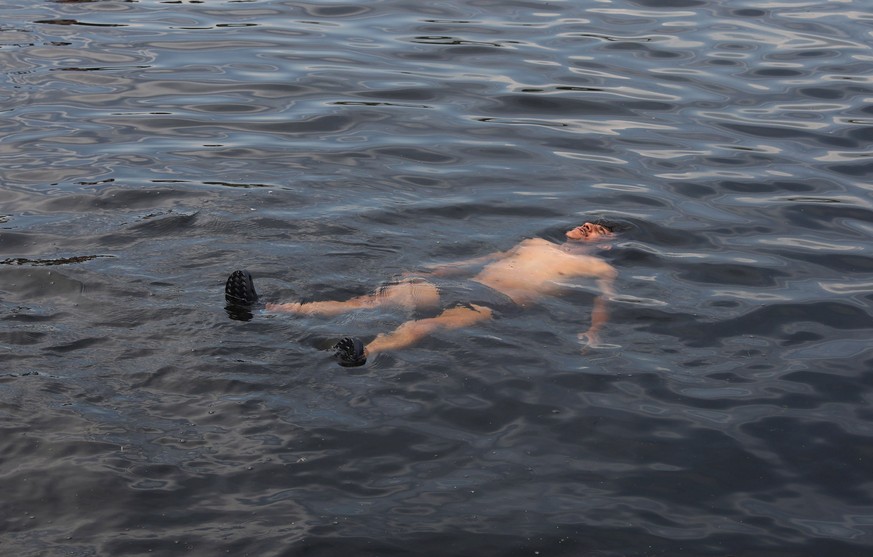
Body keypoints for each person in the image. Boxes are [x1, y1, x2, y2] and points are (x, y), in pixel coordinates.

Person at [225, 221, 617, 366]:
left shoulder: (600, 267)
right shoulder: (533, 242)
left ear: (606, 245)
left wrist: (595, 333)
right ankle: (268, 308)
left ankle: (363, 352)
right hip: (466, 284)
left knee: (427, 326)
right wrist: (444, 269)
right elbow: (490, 257)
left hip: (499, 304)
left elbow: (603, 301)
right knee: (370, 300)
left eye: (597, 229)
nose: (587, 226)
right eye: (586, 222)